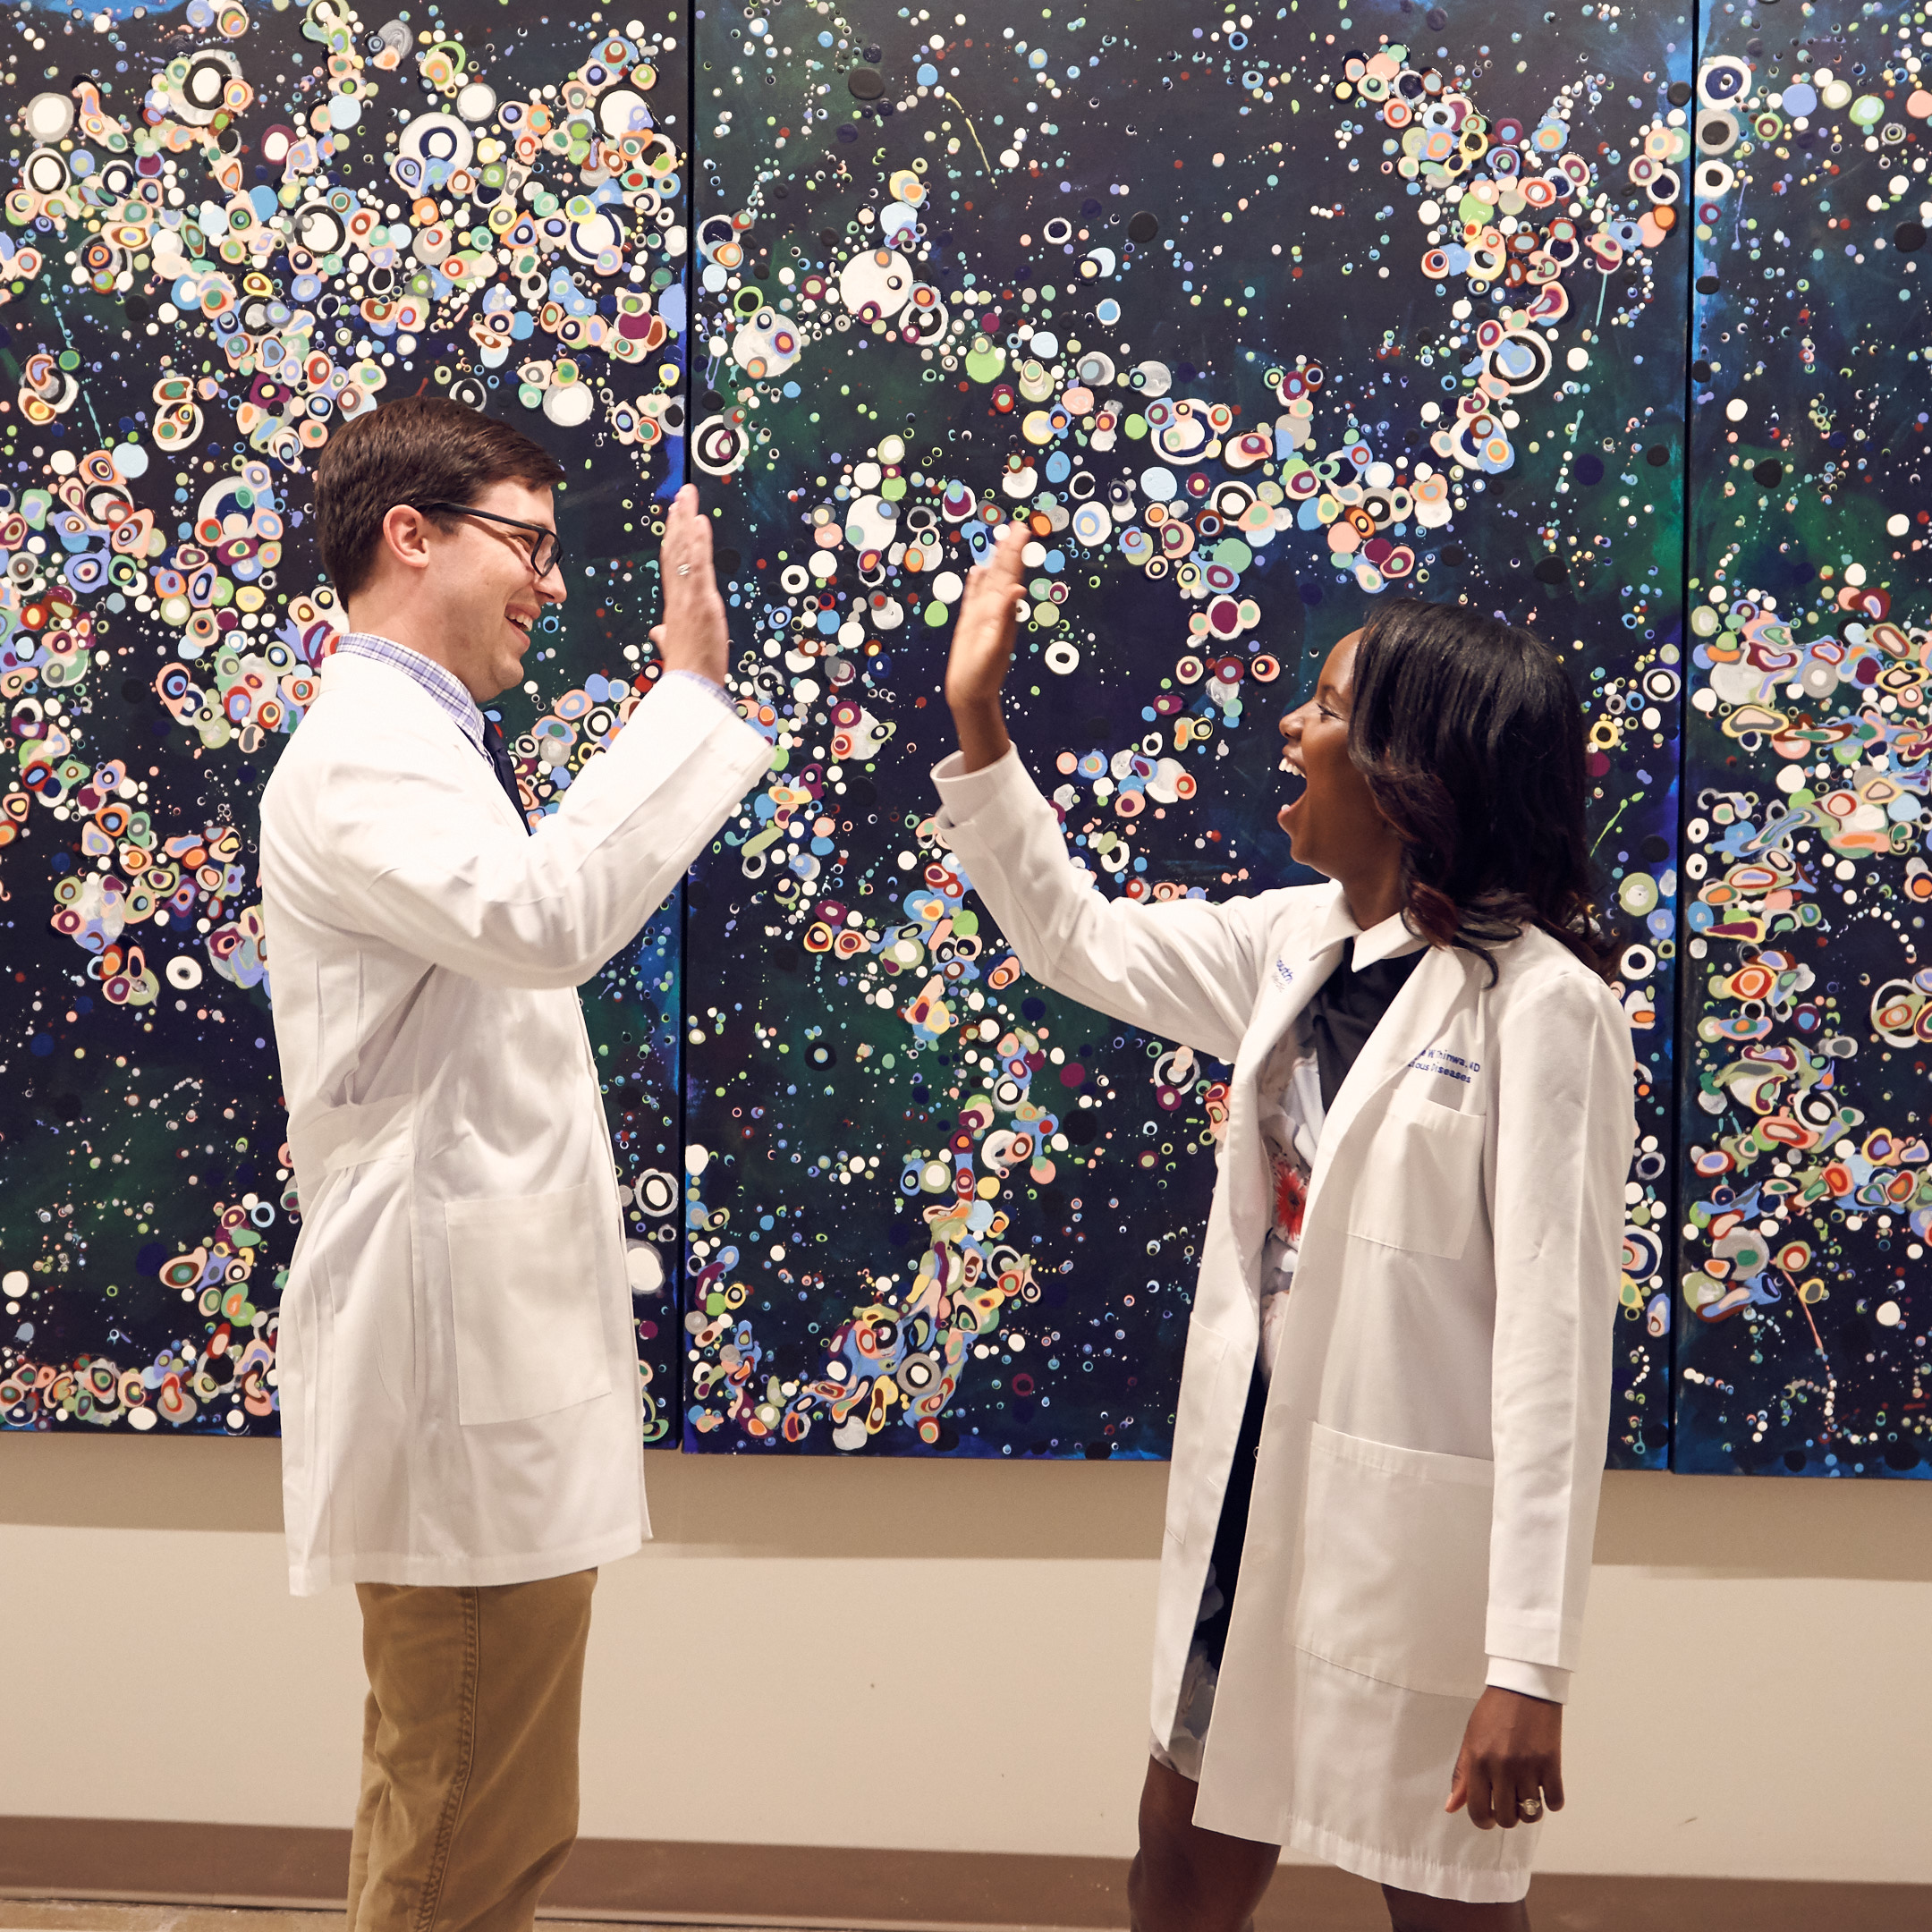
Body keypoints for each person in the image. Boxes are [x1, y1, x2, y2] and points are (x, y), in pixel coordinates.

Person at [933, 526, 1634, 1931]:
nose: (1290, 729)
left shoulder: (1545, 1012)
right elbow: (1075, 940)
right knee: (1179, 1856)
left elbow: (1554, 1357)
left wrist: (1529, 1662)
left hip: (1403, 1531)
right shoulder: (1293, 945)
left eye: (1325, 709)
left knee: (1438, 1893)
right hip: (1251, 1495)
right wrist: (979, 720)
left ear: (1413, 772)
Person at [258, 395, 772, 1932]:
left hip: (486, 1375)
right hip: (453, 1387)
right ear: (410, 536)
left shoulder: (425, 747)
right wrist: (688, 697)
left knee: (469, 1804)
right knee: (465, 1827)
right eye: (528, 546)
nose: (551, 585)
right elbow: (542, 918)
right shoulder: (365, 754)